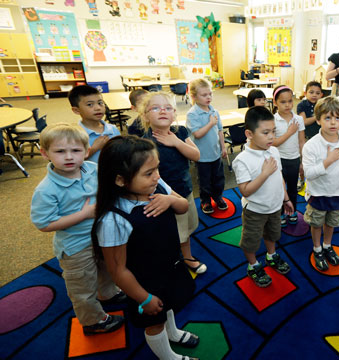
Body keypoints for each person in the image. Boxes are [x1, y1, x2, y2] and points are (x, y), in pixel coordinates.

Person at [92, 136, 199, 360]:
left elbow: (182, 207)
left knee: (169, 305)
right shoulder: (113, 220)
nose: (157, 176)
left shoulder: (158, 186)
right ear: (120, 180)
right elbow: (117, 270)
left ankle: (174, 333)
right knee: (154, 321)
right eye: (148, 173)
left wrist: (169, 200)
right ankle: (168, 357)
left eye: (156, 168)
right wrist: (143, 298)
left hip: (169, 267)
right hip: (144, 282)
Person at [30, 123, 125, 336]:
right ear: (45, 153)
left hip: (101, 236)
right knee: (82, 286)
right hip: (74, 247)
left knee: (106, 269)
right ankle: (93, 321)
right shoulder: (46, 189)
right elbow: (43, 224)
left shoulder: (92, 168)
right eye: (60, 151)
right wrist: (83, 214)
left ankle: (108, 294)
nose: (69, 157)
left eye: (76, 150)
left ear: (86, 150)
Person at [139, 92, 207, 275]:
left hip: (185, 190)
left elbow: (196, 155)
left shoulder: (180, 132)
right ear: (145, 115)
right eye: (155, 108)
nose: (163, 111)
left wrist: (175, 142)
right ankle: (178, 259)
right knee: (170, 233)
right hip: (162, 196)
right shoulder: (145, 142)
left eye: (168, 108)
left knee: (186, 227)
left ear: (174, 113)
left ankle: (184, 254)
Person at [232, 106, 294, 287]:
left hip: (275, 206)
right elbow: (245, 190)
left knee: (272, 234)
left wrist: (286, 199)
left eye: (273, 131)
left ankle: (271, 255)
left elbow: (279, 176)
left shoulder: (273, 151)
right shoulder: (242, 160)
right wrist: (264, 173)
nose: (271, 137)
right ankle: (253, 265)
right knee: (250, 242)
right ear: (249, 134)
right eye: (265, 132)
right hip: (255, 210)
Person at [302, 96, 339, 271]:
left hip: (338, 193)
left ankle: (327, 245)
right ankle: (317, 248)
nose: (333, 122)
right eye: (327, 118)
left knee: (331, 222)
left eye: (337, 118)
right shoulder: (311, 145)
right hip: (318, 193)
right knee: (317, 223)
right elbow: (308, 174)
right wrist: (328, 161)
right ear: (318, 120)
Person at [186, 78, 228, 215]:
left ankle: (218, 197)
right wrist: (210, 123)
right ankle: (206, 201)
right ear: (193, 96)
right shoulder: (192, 114)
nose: (208, 97)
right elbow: (197, 134)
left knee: (218, 179)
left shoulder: (214, 111)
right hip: (202, 156)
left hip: (216, 154)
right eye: (204, 95)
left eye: (210, 94)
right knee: (205, 181)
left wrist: (223, 147)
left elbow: (220, 130)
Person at [272, 85, 305, 226]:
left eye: (290, 101)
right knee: (278, 188)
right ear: (275, 103)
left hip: (294, 159)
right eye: (283, 102)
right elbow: (273, 143)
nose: (287, 105)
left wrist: (302, 161)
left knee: (292, 188)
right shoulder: (272, 120)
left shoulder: (298, 119)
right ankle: (279, 213)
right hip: (278, 160)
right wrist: (289, 132)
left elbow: (301, 142)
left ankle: (292, 211)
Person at [69, 85, 120, 163]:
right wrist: (94, 148)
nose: (98, 108)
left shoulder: (113, 129)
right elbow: (71, 160)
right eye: (90, 105)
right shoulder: (74, 134)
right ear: (76, 110)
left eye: (100, 103)